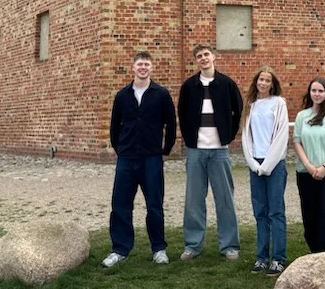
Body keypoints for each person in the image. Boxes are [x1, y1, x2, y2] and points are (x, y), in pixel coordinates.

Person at [102, 51, 177, 267]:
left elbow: (171, 124)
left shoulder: (161, 94)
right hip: (126, 158)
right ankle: (120, 249)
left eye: (146, 64)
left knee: (154, 204)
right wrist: (119, 148)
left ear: (151, 68)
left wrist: (165, 150)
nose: (143, 68)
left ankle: (159, 249)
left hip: (151, 157)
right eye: (139, 64)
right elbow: (115, 125)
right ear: (133, 68)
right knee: (120, 204)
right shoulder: (122, 95)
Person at [177, 43, 243, 260]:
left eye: (206, 54)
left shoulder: (226, 84)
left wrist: (228, 136)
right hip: (196, 151)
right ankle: (192, 245)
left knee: (225, 199)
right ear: (196, 60)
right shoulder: (189, 86)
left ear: (214, 57)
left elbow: (238, 110)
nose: (203, 58)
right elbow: (182, 114)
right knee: (194, 200)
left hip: (219, 151)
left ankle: (229, 245)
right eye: (199, 56)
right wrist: (190, 139)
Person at [241, 66, 289, 276]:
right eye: (261, 79)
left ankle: (278, 258)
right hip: (255, 164)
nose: (263, 83)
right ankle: (261, 258)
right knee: (260, 212)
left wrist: (268, 164)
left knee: (275, 211)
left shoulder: (278, 103)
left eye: (267, 80)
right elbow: (246, 136)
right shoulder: (250, 105)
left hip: (275, 163)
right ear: (256, 82)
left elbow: (281, 135)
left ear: (272, 84)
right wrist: (253, 163)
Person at [293, 77, 325, 253]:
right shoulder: (302, 116)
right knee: (310, 216)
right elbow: (297, 141)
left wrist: (324, 167)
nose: (317, 94)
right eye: (314, 90)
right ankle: (315, 254)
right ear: (309, 93)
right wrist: (308, 165)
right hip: (305, 173)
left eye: (320, 91)